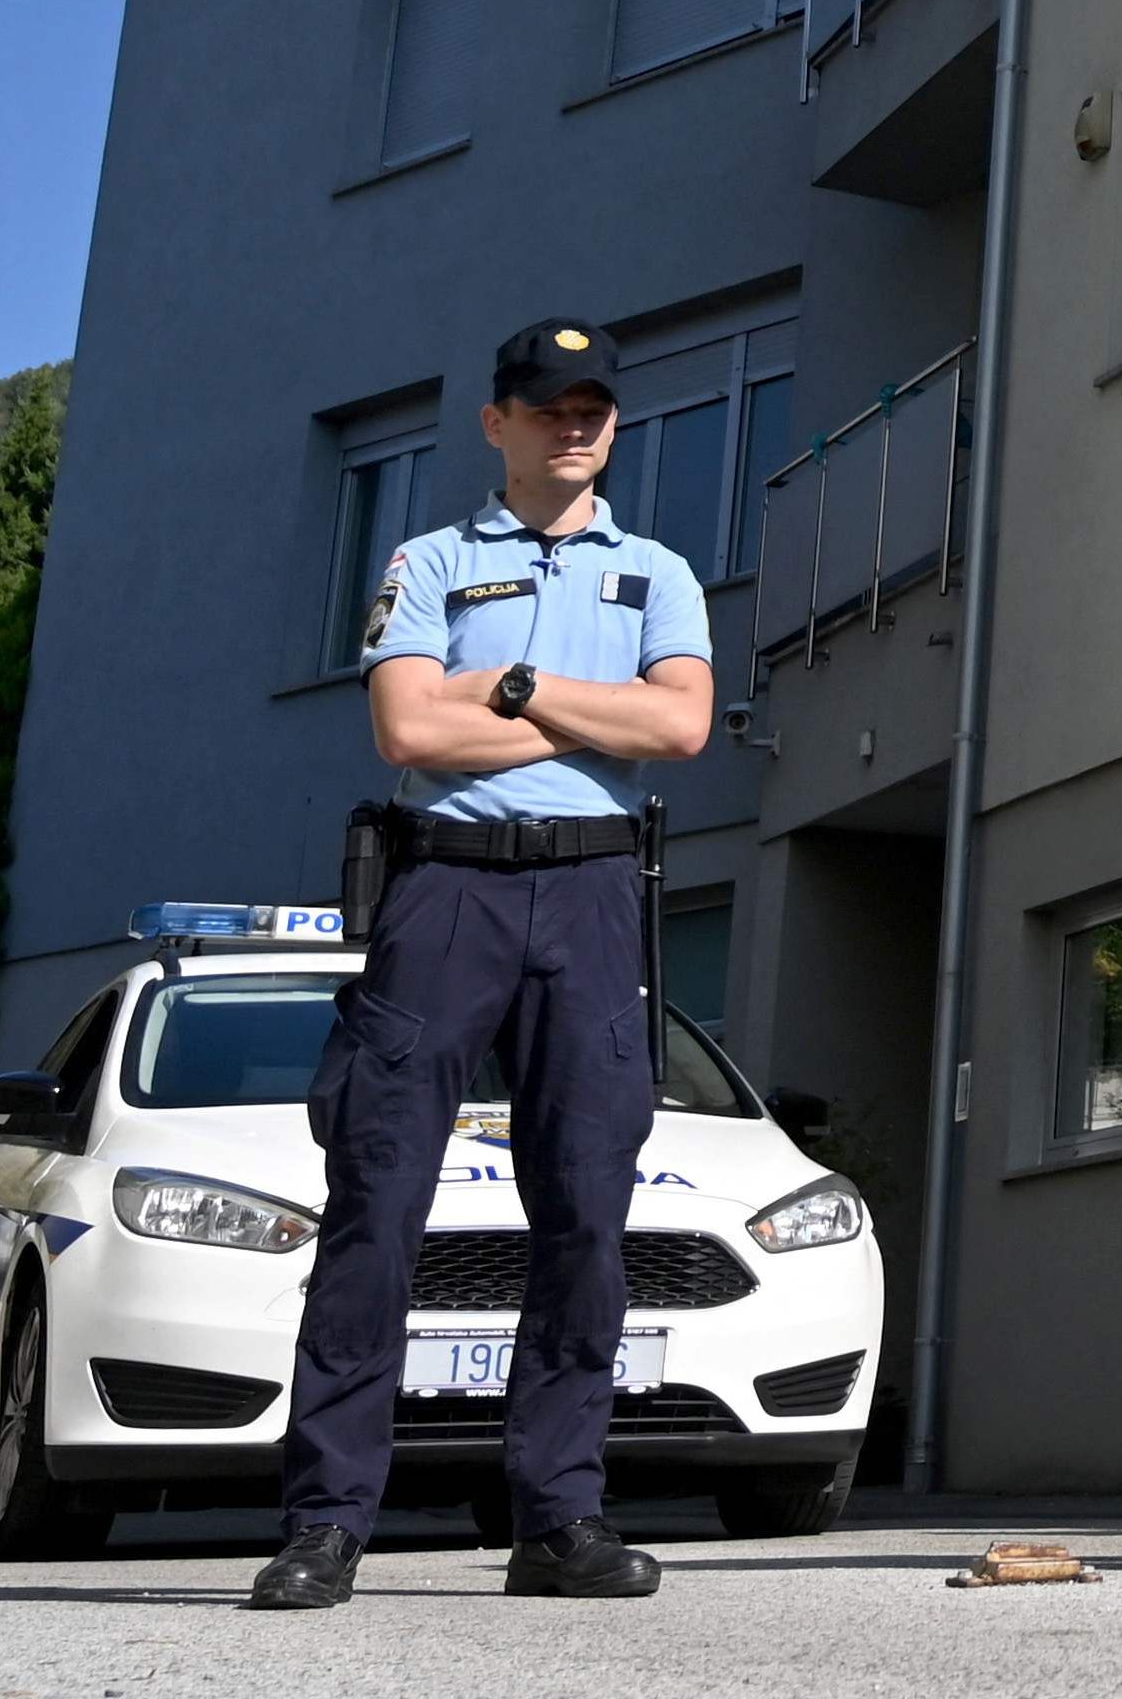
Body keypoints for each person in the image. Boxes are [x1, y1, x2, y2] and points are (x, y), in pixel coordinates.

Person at [249, 321, 714, 1612]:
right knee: (379, 1201)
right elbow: (406, 723)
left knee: (585, 1210)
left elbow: (678, 726)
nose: (573, 425)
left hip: (593, 891)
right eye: (545, 406)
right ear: (496, 423)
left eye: (593, 408)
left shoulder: (659, 573)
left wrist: (501, 692)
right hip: (445, 891)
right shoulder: (429, 560)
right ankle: (327, 1520)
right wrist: (575, 705)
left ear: (611, 426)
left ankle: (558, 1517)